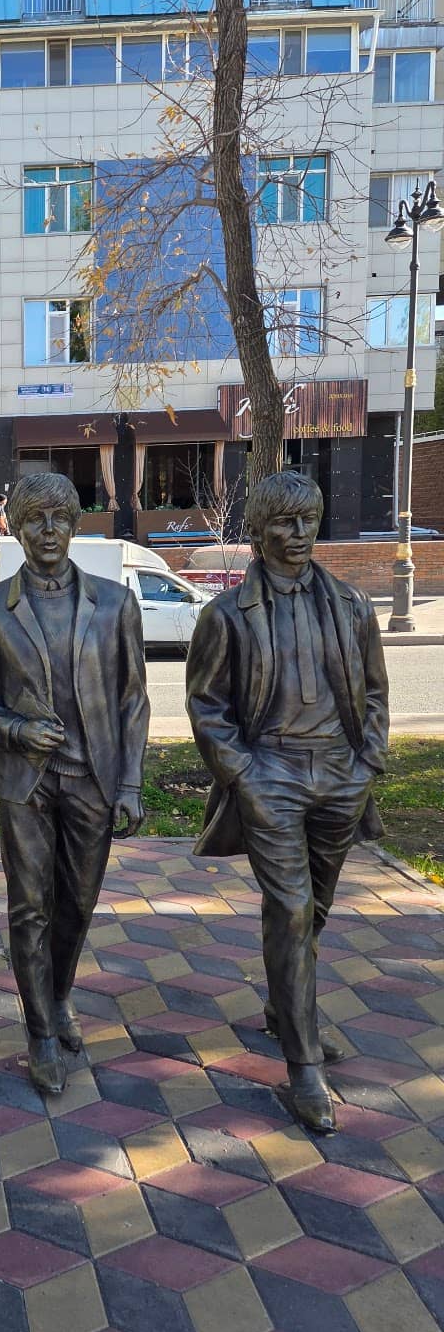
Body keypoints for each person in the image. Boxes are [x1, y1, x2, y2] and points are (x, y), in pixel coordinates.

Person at [186, 471, 389, 1135]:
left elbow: (377, 695)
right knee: (292, 908)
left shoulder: (353, 604)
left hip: (340, 772)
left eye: (308, 522)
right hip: (269, 772)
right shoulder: (225, 616)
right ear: (258, 529)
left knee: (316, 912)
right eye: (283, 523)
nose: (298, 536)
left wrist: (367, 765)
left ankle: (283, 1009)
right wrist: (243, 773)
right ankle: (304, 1067)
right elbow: (208, 708)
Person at [0, 474, 149, 1097]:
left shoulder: (116, 604)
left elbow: (133, 702)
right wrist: (14, 729)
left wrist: (131, 785)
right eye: (33, 519)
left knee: (79, 904)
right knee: (29, 907)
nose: (47, 532)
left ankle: (59, 995)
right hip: (27, 783)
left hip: (94, 777)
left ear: (76, 525)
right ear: (11, 525)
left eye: (59, 518)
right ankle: (40, 1030)